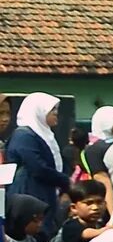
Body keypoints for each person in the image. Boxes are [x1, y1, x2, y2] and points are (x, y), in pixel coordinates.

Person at [6, 95, 71, 231]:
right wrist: (65, 181)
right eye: (51, 110)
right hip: (30, 191)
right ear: (38, 111)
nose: (56, 113)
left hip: (44, 191)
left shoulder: (44, 134)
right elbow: (37, 167)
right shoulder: (24, 135)